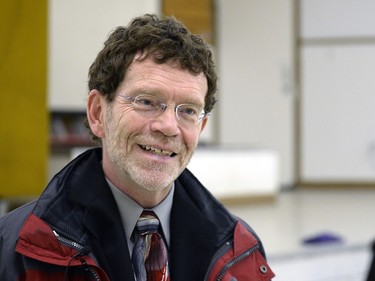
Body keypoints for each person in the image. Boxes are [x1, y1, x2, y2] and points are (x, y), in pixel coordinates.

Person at [0, 14, 274, 281]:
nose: (168, 126)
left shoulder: (239, 251)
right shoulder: (18, 249)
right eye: (146, 101)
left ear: (200, 129)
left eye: (188, 110)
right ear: (98, 113)